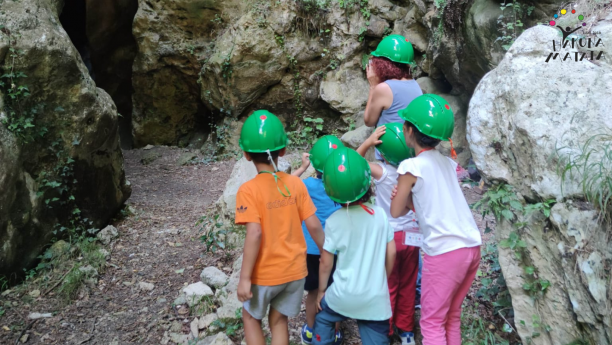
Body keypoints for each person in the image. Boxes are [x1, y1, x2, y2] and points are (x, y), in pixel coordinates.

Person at [390, 95, 482, 345]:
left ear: (409, 131)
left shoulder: (411, 166)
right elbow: (430, 206)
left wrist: (400, 196)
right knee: (451, 316)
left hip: (444, 252)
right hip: (471, 247)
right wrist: (411, 201)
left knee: (431, 322)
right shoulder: (448, 163)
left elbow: (396, 212)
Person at [235, 110, 326, 345]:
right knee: (278, 319)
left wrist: (245, 278)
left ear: (246, 154)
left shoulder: (248, 190)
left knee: (250, 317)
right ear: (283, 150)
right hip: (295, 272)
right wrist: (326, 251)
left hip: (265, 274)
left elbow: (254, 233)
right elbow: (314, 225)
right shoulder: (296, 184)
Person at [313, 147, 396, 345]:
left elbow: (326, 261)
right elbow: (391, 252)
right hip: (375, 298)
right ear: (368, 182)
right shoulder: (381, 215)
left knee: (323, 317)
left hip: (342, 295)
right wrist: (383, 278)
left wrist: (321, 291)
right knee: (376, 333)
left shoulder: (334, 221)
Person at [357, 123, 419, 345]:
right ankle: (407, 332)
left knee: (389, 284)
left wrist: (368, 141)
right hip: (413, 236)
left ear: (383, 153)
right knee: (409, 283)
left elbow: (356, 161)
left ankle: (386, 328)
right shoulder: (414, 170)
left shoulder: (383, 172)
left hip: (390, 239)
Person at [291, 136, 344, 345]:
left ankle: (311, 330)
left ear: (315, 163)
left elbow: (285, 184)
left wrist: (303, 168)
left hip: (311, 250)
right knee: (334, 290)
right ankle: (335, 332)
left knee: (313, 291)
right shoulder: (343, 187)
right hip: (337, 250)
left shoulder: (306, 185)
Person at [364, 35, 423, 161]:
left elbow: (369, 121)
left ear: (382, 64)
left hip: (391, 158)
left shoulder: (384, 89)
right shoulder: (414, 84)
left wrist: (373, 86)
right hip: (412, 155)